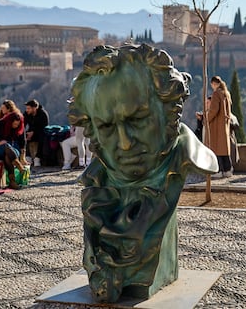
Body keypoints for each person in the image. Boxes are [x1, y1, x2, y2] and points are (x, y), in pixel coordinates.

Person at [68, 44, 218, 302]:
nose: (125, 143)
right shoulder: (95, 185)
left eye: (137, 120)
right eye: (106, 126)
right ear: (91, 127)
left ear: (169, 109)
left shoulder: (183, 157)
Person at [0, 102, 27, 189]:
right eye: (14, 124)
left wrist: (23, 156)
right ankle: (18, 166)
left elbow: (23, 141)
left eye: (17, 125)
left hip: (14, 149)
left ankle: (12, 182)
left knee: (8, 156)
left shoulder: (19, 128)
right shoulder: (0, 124)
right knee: (6, 148)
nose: (15, 126)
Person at [208, 76, 233, 178]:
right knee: (224, 149)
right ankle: (228, 170)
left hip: (216, 125)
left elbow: (214, 110)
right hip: (224, 125)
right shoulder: (226, 93)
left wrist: (206, 119)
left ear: (214, 84)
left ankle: (218, 171)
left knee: (216, 148)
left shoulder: (216, 94)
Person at [23, 99, 49, 167]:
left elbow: (44, 127)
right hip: (30, 132)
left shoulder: (43, 114)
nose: (27, 110)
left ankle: (37, 158)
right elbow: (22, 125)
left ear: (34, 108)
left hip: (40, 132)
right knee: (22, 136)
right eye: (26, 108)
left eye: (29, 108)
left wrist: (33, 132)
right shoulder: (26, 114)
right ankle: (27, 157)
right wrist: (26, 133)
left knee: (42, 137)